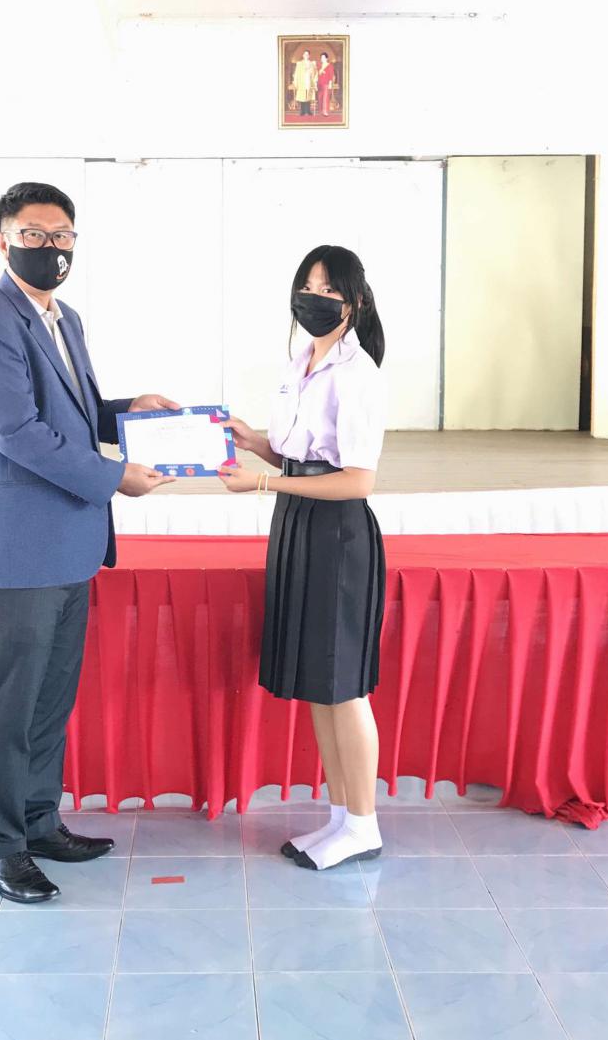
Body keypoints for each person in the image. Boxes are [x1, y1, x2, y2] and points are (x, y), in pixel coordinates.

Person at [0, 181, 178, 903]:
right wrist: (115, 477)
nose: (49, 248)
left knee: (50, 698)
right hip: (17, 552)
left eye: (61, 237)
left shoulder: (64, 317)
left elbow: (72, 413)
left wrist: (128, 411)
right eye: (34, 234)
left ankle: (38, 820)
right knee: (10, 706)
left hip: (70, 546)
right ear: (3, 241)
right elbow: (18, 433)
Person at [219, 244, 387, 871]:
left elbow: (356, 480)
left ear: (355, 303)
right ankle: (342, 818)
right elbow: (301, 453)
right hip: (297, 523)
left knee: (345, 688)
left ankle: (364, 824)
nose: (314, 299)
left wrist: (264, 482)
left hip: (337, 534)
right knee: (322, 683)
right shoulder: (302, 361)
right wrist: (251, 441)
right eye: (307, 287)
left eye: (329, 290)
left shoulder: (358, 373)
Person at [292, 49, 318, 117]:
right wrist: (295, 81)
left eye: (307, 54)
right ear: (303, 55)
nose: (306, 55)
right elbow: (296, 73)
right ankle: (302, 111)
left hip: (309, 81)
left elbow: (315, 73)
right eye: (305, 54)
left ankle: (308, 110)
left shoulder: (312, 64)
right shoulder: (299, 63)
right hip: (302, 81)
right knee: (302, 96)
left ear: (309, 56)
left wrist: (315, 81)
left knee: (308, 96)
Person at [317, 52, 335, 117]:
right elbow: (318, 73)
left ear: (326, 58)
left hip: (326, 83)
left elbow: (331, 75)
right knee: (320, 97)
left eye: (323, 57)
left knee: (325, 97)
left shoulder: (330, 65)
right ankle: (321, 111)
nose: (322, 59)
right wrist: (321, 71)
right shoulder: (319, 65)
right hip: (320, 83)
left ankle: (325, 111)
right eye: (321, 57)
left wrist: (330, 83)